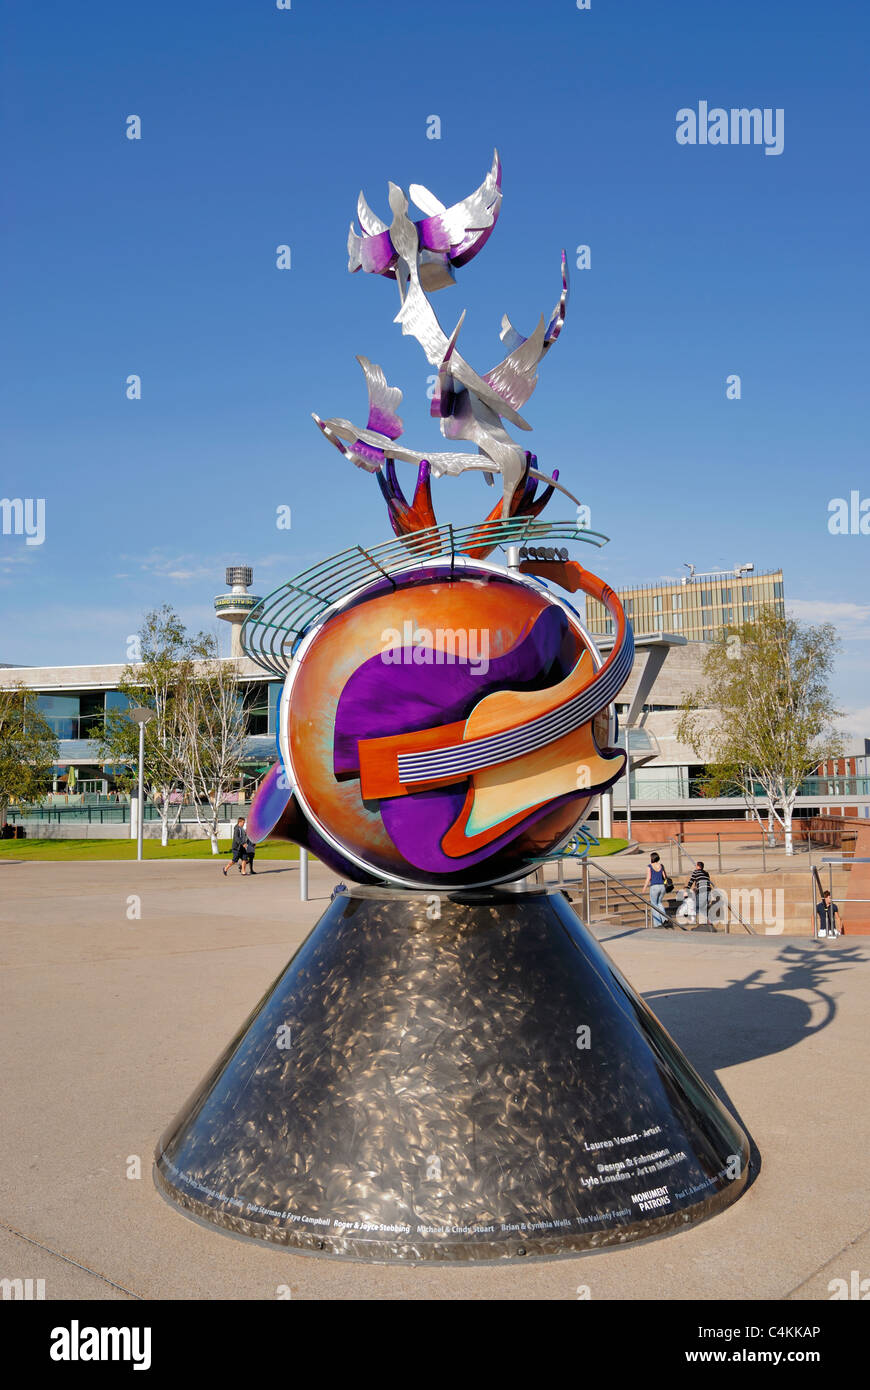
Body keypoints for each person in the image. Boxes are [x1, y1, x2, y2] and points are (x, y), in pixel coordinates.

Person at [643, 852, 668, 926]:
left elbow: (648, 878)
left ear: (652, 858)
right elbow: (665, 877)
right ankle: (665, 919)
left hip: (654, 887)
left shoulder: (649, 866)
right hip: (662, 886)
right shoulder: (661, 866)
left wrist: (644, 887)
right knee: (659, 903)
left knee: (654, 904)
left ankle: (657, 923)